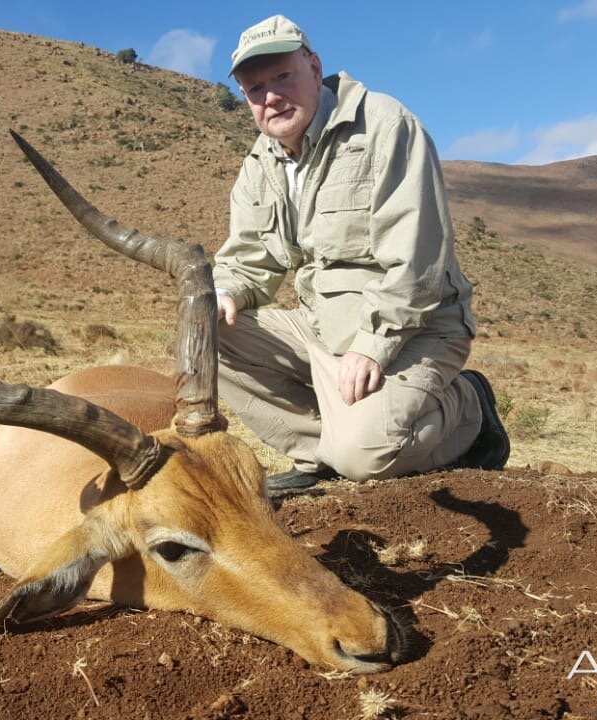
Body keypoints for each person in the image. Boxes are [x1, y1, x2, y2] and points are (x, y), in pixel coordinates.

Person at [212, 14, 510, 494]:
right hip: (321, 325)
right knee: (205, 327)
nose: (270, 97)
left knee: (368, 456)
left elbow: (417, 262)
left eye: (282, 77)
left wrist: (371, 344)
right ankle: (320, 454)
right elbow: (251, 256)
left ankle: (469, 411)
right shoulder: (261, 160)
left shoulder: (386, 125)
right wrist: (225, 291)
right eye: (255, 89)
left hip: (415, 326)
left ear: (313, 66)